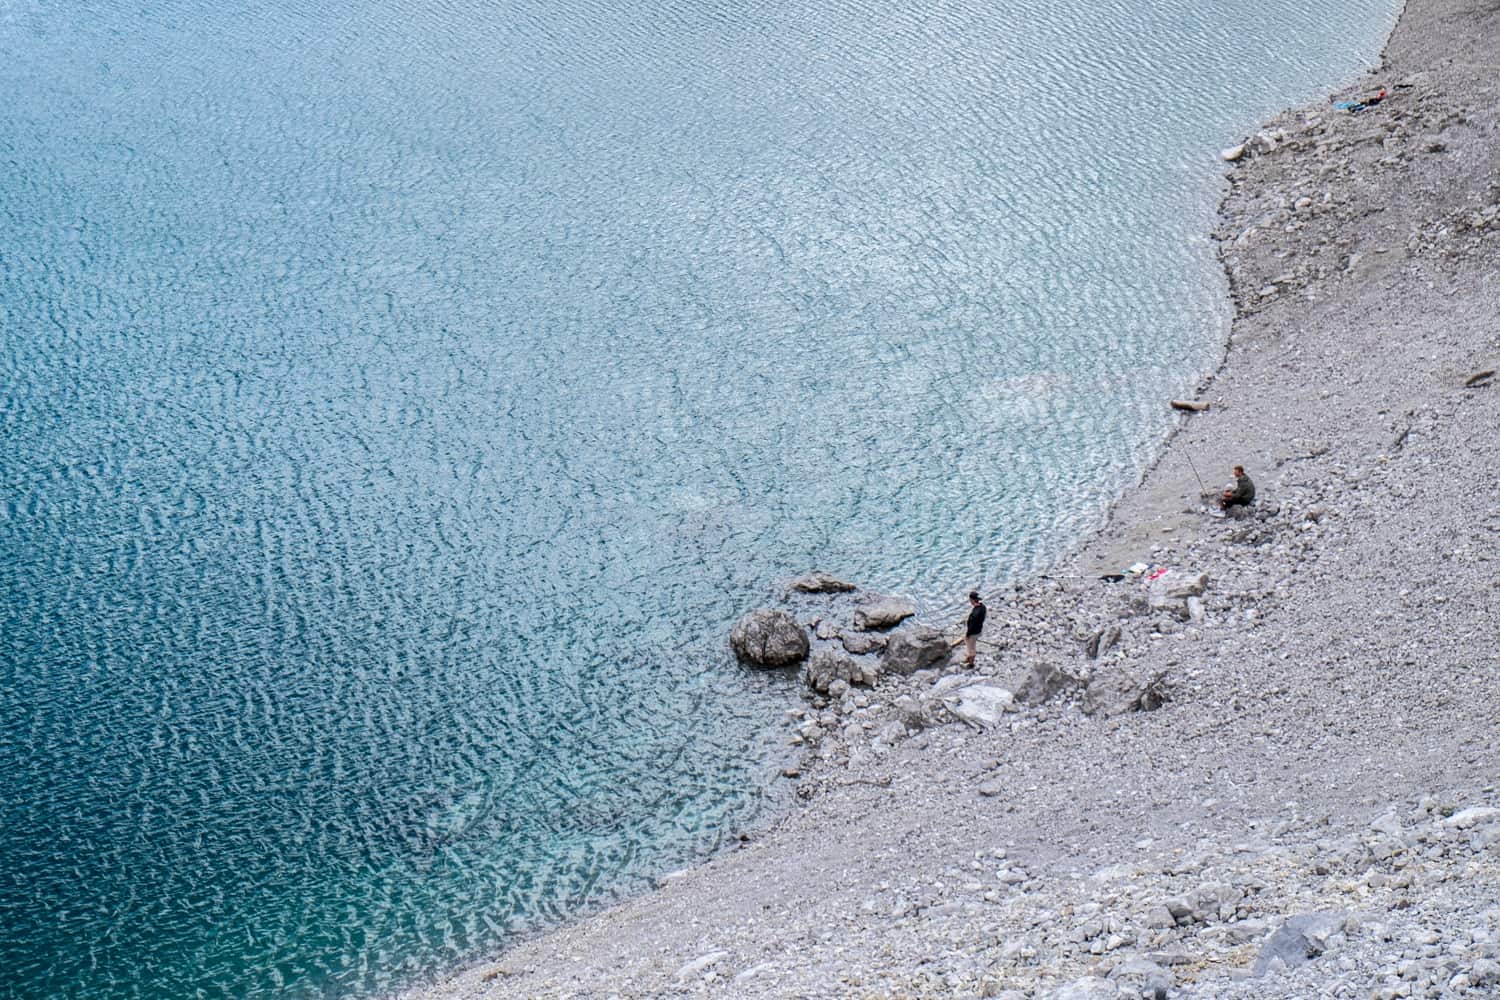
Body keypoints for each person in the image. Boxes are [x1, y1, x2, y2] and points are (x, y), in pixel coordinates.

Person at [962, 590, 986, 666]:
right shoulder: (982, 607)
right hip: (979, 630)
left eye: (970, 600)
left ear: (972, 600)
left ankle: (971, 663)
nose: (970, 601)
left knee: (971, 647)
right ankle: (969, 658)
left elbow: (972, 626)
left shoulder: (975, 613)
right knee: (971, 644)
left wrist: (968, 634)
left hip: (974, 632)